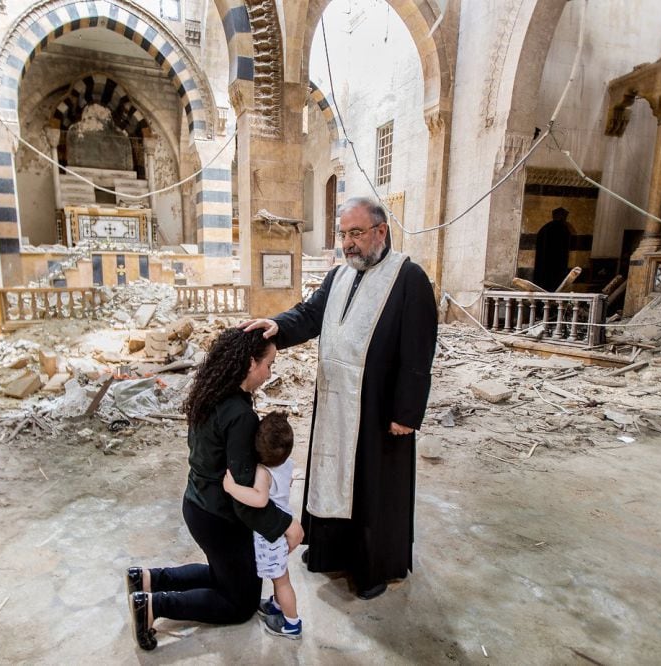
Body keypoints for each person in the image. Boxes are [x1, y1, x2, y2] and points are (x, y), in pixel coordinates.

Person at [242, 196, 437, 600]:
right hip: (335, 402)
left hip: (379, 409)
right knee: (333, 476)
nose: (348, 243)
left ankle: (372, 566)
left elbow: (419, 352)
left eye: (356, 233)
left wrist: (407, 411)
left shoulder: (409, 278)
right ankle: (333, 551)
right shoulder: (339, 277)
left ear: (380, 231)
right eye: (343, 234)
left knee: (373, 487)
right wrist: (275, 325)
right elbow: (309, 315)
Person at [125, 329, 304, 651]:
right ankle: (154, 605)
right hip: (218, 517)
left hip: (197, 504)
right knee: (240, 603)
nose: (270, 372)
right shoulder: (241, 416)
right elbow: (244, 498)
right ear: (251, 363)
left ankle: (147, 578)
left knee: (227, 575)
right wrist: (286, 524)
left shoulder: (214, 394)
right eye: (269, 364)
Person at [223, 411, 302, 639]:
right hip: (283, 520)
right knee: (280, 576)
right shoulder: (287, 464)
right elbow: (286, 484)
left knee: (281, 580)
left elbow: (260, 499)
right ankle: (277, 607)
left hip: (271, 534)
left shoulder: (263, 472)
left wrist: (232, 488)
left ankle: (292, 623)